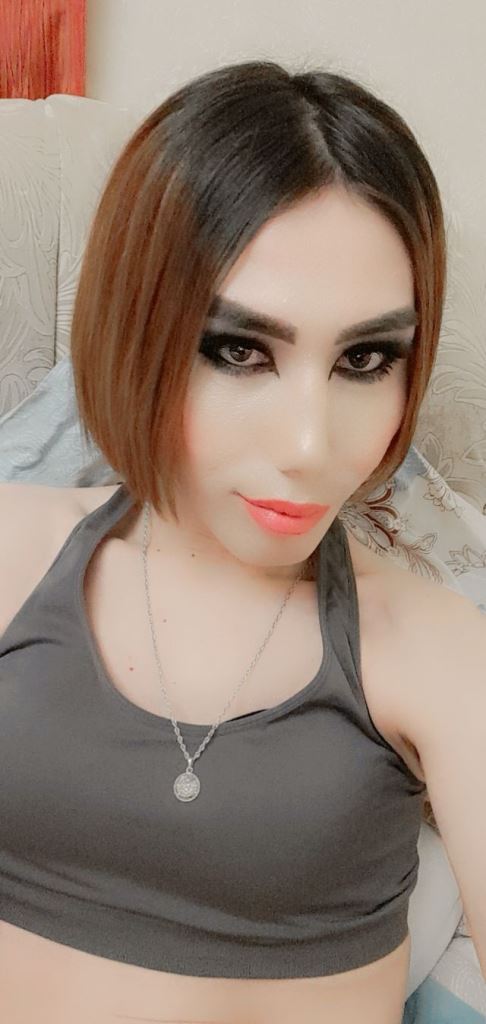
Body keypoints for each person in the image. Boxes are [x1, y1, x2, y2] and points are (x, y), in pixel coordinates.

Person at [0, 59, 484, 1024]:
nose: (310, 447)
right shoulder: (12, 548)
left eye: (365, 359)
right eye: (238, 350)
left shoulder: (436, 651)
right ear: (132, 328)